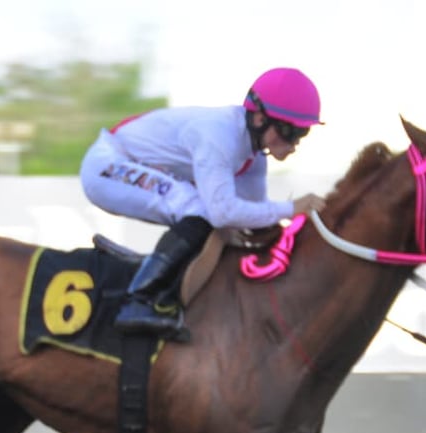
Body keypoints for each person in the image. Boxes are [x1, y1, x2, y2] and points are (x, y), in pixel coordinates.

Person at [80, 67, 328, 338]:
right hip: (108, 165)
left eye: (302, 134)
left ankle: (164, 288)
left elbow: (251, 219)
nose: (295, 144)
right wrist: (291, 208)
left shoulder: (254, 159)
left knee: (210, 214)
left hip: (131, 164)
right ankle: (139, 301)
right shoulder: (219, 136)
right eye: (291, 132)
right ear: (259, 118)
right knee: (201, 210)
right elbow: (223, 214)